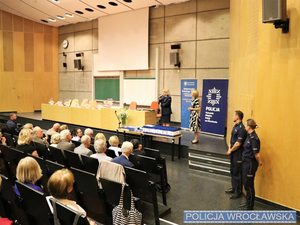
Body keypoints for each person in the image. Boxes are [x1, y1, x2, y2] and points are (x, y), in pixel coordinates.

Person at [240, 119, 262, 210]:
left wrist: (260, 162)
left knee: (249, 185)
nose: (244, 126)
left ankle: (250, 205)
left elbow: (256, 154)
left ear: (249, 127)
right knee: (246, 184)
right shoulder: (249, 136)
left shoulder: (254, 138)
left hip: (250, 164)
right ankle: (247, 202)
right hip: (245, 163)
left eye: (246, 125)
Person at [225, 111, 247, 199]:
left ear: (238, 117)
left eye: (234, 115)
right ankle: (234, 188)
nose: (232, 116)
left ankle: (238, 192)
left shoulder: (242, 128)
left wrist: (230, 150)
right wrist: (230, 148)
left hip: (238, 154)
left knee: (237, 173)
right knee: (233, 171)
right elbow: (232, 139)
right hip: (233, 153)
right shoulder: (235, 126)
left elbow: (238, 143)